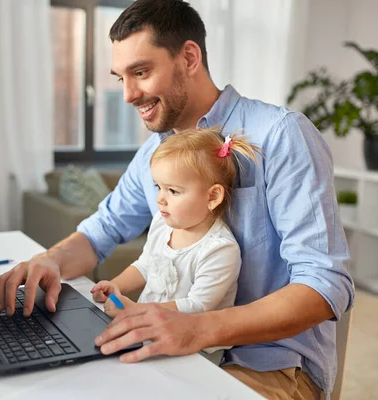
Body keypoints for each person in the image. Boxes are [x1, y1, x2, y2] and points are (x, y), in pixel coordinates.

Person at [0, 0, 354, 398]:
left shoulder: (281, 135)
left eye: (140, 72)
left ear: (189, 58)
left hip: (269, 366)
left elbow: (325, 284)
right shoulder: (155, 153)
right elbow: (101, 231)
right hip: (177, 352)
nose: (127, 94)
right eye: (120, 77)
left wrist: (197, 328)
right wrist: (48, 261)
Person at [91, 129, 258, 330]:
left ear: (212, 197)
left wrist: (137, 311)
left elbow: (198, 306)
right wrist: (117, 285)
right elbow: (146, 265)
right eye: (158, 187)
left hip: (197, 346)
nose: (160, 199)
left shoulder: (219, 249)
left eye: (173, 191)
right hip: (148, 329)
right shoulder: (161, 224)